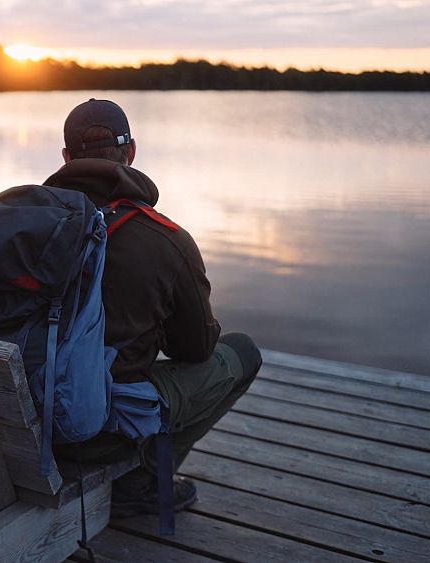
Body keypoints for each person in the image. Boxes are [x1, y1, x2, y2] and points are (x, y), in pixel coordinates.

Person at [46, 99, 263, 518]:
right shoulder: (165, 239)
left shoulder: (19, 223)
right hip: (92, 430)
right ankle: (143, 480)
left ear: (66, 157)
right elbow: (195, 350)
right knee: (243, 352)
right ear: (130, 153)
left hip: (17, 416)